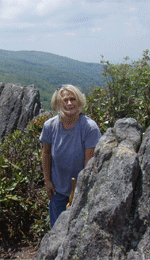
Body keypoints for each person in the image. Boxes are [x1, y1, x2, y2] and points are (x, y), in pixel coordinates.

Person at [39, 84, 101, 228]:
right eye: (64, 100)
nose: (69, 103)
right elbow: (46, 153)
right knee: (57, 230)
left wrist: (83, 191)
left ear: (79, 101)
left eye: (72, 99)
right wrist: (47, 181)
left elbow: (89, 162)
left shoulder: (89, 128)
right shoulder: (50, 126)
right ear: (57, 104)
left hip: (80, 191)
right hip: (57, 190)